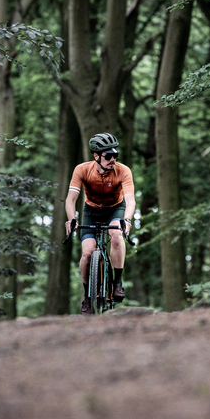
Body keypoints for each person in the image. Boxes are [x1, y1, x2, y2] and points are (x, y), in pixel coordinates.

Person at [64, 133, 136, 316]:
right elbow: (71, 199)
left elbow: (130, 200)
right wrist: (72, 219)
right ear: (96, 156)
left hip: (115, 209)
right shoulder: (81, 169)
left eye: (115, 155)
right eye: (108, 156)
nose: (113, 159)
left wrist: (126, 220)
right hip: (91, 211)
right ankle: (88, 298)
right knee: (87, 252)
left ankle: (117, 283)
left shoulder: (123, 171)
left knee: (117, 235)